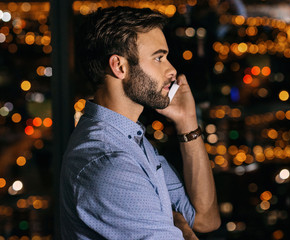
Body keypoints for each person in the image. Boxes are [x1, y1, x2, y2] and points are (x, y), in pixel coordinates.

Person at [59, 6, 220, 239]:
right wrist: (182, 228)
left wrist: (187, 122)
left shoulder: (129, 139)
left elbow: (205, 219)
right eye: (159, 58)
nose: (172, 70)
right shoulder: (110, 163)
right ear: (120, 66)